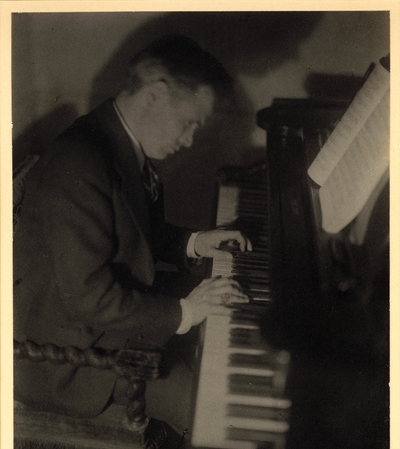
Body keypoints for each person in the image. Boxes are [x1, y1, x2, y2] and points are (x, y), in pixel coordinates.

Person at [13, 35, 252, 428]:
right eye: (189, 123)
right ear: (156, 95)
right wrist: (185, 311)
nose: (189, 140)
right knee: (210, 405)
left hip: (102, 321)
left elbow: (133, 234)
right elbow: (89, 299)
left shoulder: (117, 139)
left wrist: (194, 242)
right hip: (67, 357)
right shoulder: (80, 162)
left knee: (232, 321)